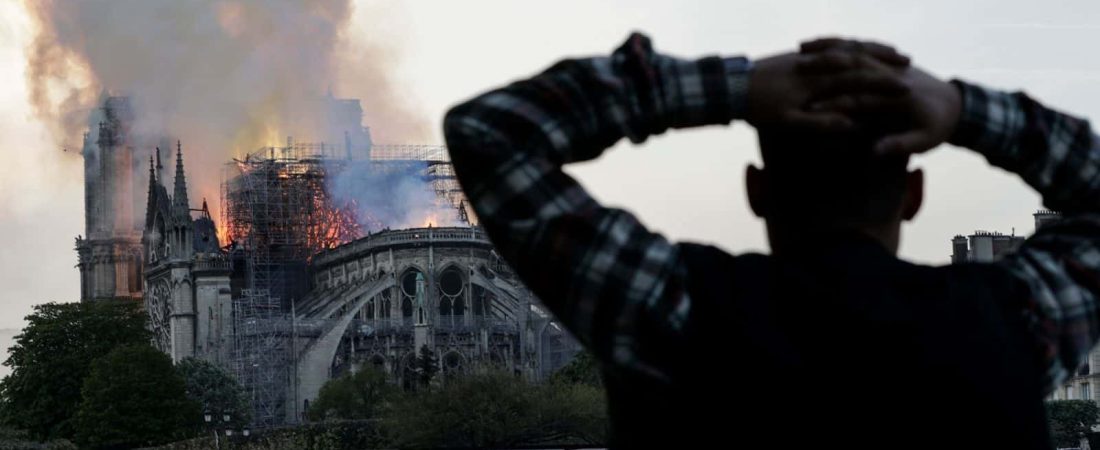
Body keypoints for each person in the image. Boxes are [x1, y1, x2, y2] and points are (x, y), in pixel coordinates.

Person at [443, 33, 1100, 449]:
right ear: (914, 195)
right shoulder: (1016, 320)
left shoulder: (672, 309)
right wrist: (961, 108)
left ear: (756, 189)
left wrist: (735, 87)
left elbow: (491, 132)